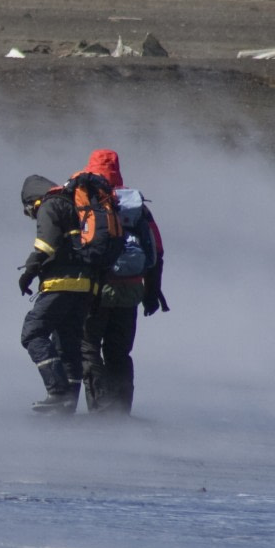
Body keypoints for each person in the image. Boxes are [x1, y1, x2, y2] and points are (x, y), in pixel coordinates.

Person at [78, 149, 167, 415]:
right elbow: (157, 252)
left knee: (88, 348)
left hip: (95, 291)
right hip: (131, 291)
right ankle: (120, 412)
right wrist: (152, 293)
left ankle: (101, 410)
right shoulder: (137, 206)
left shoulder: (87, 201)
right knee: (119, 352)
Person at [18, 174, 95, 416]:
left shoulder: (50, 205)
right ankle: (68, 403)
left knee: (32, 332)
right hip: (85, 286)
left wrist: (28, 272)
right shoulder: (73, 203)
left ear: (32, 200)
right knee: (67, 343)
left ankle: (57, 391)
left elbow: (46, 244)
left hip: (60, 284)